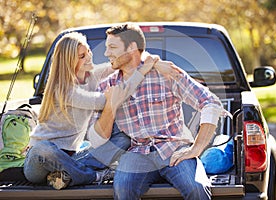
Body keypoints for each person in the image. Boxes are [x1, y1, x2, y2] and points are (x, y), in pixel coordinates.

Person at [92, 22, 224, 200]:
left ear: (132, 48)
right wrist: (111, 105)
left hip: (173, 148)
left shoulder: (166, 74)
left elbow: (210, 102)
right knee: (123, 189)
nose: (106, 53)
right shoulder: (107, 85)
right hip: (137, 152)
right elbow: (98, 137)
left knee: (197, 188)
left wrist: (197, 148)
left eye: (112, 47)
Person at [23, 32, 169, 190]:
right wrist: (140, 73)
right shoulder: (63, 90)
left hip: (72, 158)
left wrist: (153, 62)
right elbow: (109, 101)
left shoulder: (91, 77)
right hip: (39, 162)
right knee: (44, 148)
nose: (89, 57)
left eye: (88, 51)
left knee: (124, 137)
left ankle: (66, 175)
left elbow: (125, 61)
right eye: (82, 56)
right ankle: (94, 176)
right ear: (68, 60)